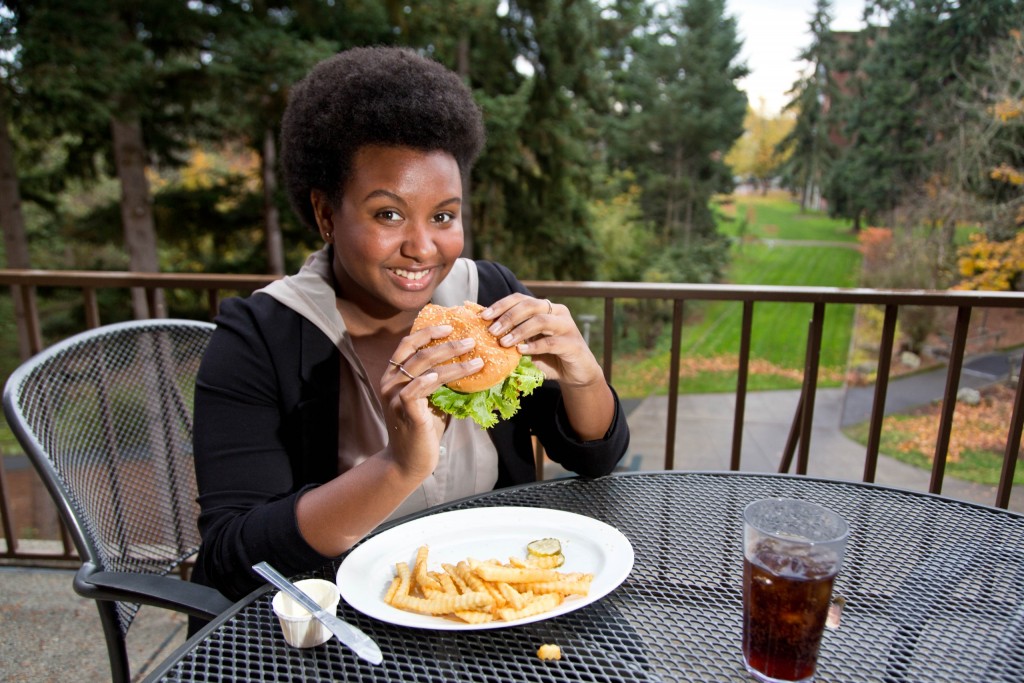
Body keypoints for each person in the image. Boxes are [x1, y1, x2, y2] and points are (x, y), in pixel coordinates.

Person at [190, 46, 630, 610]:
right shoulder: (260, 338)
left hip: (490, 597)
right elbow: (229, 560)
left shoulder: (488, 299)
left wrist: (583, 376)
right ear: (326, 214)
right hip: (340, 625)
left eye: (443, 216)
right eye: (388, 214)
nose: (423, 248)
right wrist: (397, 468)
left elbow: (595, 458)